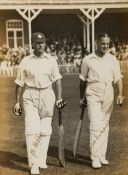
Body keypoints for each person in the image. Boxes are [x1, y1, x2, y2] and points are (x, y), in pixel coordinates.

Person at [13, 32, 64, 175]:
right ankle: (33, 164)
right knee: (32, 129)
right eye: (37, 42)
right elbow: (19, 83)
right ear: (32, 44)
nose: (40, 45)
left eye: (42, 42)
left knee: (46, 130)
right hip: (30, 95)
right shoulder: (26, 61)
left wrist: (59, 98)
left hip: (48, 94)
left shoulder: (51, 60)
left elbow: (57, 81)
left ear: (45, 43)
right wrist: (17, 103)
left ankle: (42, 159)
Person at [79, 33, 124, 169]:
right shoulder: (88, 59)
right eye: (103, 43)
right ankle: (95, 157)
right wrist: (82, 98)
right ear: (97, 43)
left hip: (108, 91)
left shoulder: (112, 59)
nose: (105, 46)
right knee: (95, 124)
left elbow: (118, 78)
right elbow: (82, 81)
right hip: (92, 91)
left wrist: (120, 94)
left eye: (107, 44)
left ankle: (102, 155)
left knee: (104, 124)